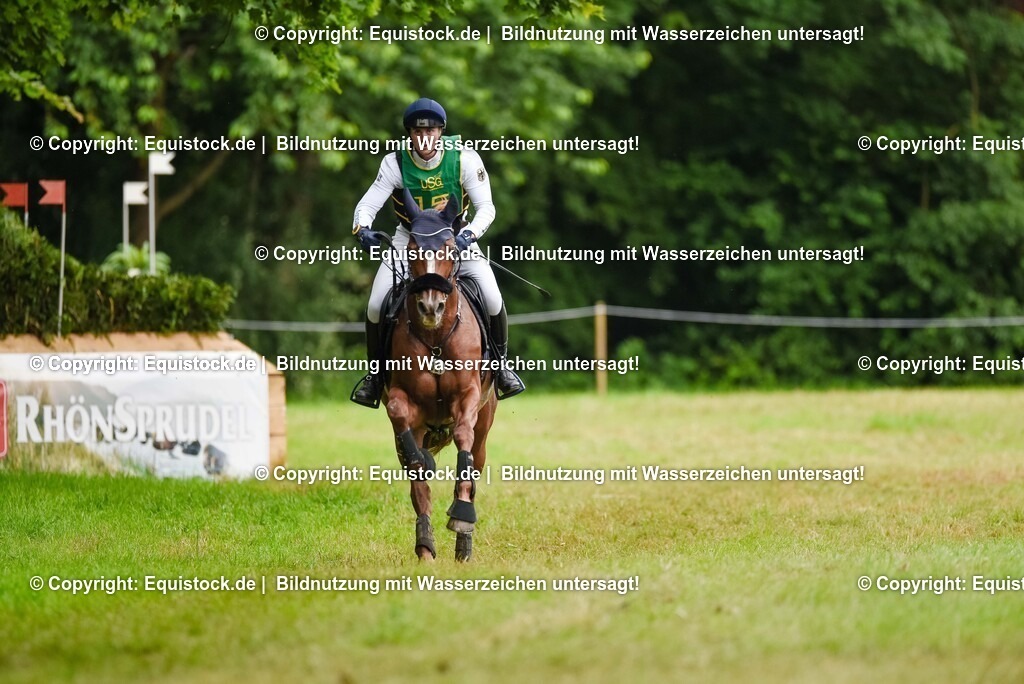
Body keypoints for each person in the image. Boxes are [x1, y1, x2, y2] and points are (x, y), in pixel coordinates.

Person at [350, 97, 526, 408]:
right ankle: (375, 377)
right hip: (410, 241)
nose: (424, 139)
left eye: (431, 131)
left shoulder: (465, 159)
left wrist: (468, 236)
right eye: (418, 133)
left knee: (492, 295)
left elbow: (486, 208)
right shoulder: (395, 163)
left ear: (441, 132)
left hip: (455, 240)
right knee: (376, 304)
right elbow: (368, 205)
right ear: (409, 134)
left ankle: (500, 367)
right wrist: (362, 228)